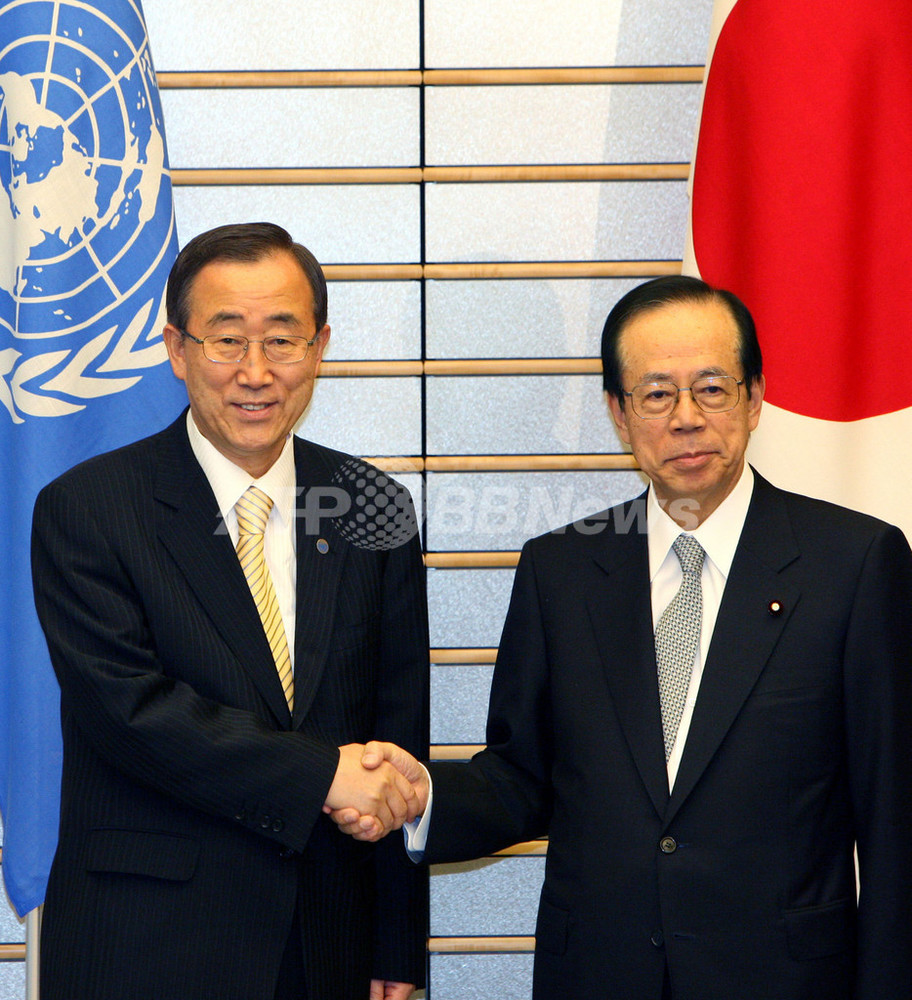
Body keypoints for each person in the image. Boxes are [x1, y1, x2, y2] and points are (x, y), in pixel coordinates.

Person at [333, 276, 912, 999]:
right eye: (657, 394)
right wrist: (422, 794)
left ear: (756, 396)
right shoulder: (561, 571)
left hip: (786, 978)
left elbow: (895, 821)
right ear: (618, 412)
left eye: (711, 387)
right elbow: (521, 779)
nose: (687, 418)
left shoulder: (852, 563)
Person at [31, 223, 429, 1000]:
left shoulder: (372, 507)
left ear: (319, 348)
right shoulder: (88, 508)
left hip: (327, 942)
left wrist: (397, 945)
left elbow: (394, 735)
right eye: (225, 341)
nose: (255, 372)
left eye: (282, 340)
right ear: (178, 350)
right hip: (145, 943)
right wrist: (323, 774)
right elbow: (130, 713)